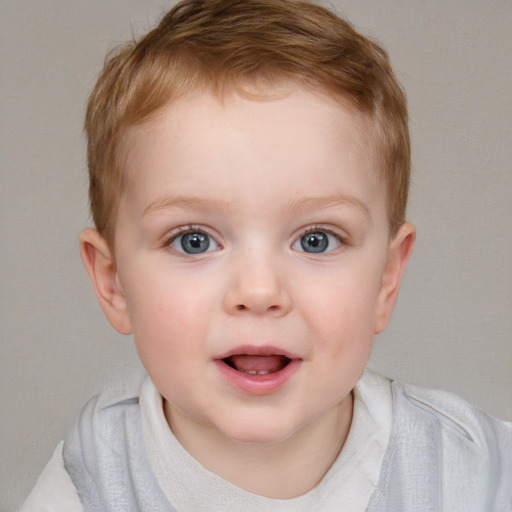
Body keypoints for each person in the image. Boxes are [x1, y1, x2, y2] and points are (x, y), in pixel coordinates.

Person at [20, 0, 512, 510]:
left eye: (316, 239)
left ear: (386, 279)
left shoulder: (475, 473)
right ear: (113, 281)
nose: (259, 292)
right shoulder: (90, 484)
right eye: (194, 240)